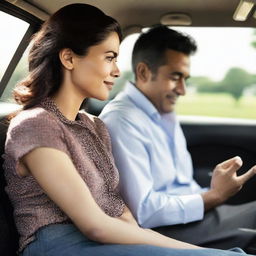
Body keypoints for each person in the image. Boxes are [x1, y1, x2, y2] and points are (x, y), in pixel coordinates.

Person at [2, 4, 254, 256]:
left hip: (107, 238)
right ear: (68, 58)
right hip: (61, 245)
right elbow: (95, 226)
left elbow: (119, 212)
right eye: (109, 57)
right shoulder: (35, 124)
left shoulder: (94, 126)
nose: (116, 71)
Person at [99, 25, 256, 252]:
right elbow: (144, 211)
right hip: (165, 231)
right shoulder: (121, 121)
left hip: (194, 216)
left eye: (185, 79)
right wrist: (214, 196)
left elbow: (181, 183)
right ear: (143, 73)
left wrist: (210, 194)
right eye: (175, 77)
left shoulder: (163, 112)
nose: (182, 89)